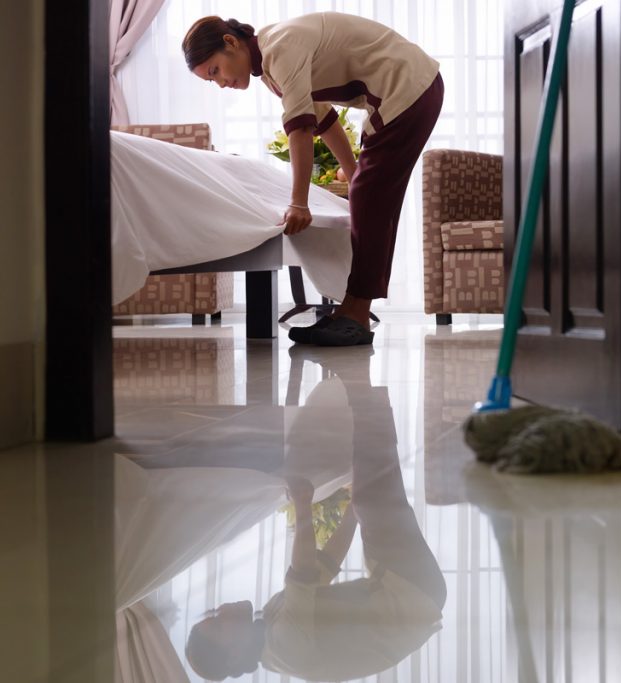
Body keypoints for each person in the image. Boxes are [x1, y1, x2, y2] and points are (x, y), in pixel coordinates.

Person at [182, 12, 444, 346]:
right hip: (410, 89)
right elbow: (326, 121)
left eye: (215, 70)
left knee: (373, 201)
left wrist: (299, 203)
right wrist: (353, 178)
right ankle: (352, 312)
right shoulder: (272, 64)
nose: (220, 83)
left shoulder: (280, 48)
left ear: (230, 42)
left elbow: (302, 129)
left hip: (409, 87)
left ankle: (356, 316)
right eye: (210, 80)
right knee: (370, 197)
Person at [184, 381, 447, 681]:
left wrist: (353, 505)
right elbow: (304, 570)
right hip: (409, 596)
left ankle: (368, 392)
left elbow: (327, 563)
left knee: (372, 488)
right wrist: (303, 503)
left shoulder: (272, 622)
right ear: (232, 654)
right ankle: (364, 387)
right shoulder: (285, 646)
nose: (220, 610)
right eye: (218, 623)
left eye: (213, 615)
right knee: (376, 484)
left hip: (408, 591)